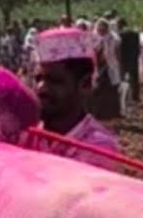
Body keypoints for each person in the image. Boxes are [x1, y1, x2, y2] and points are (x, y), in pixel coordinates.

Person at [24, 27, 123, 172]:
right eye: (38, 79)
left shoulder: (98, 150)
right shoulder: (26, 137)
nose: (41, 88)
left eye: (55, 81)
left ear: (85, 84)